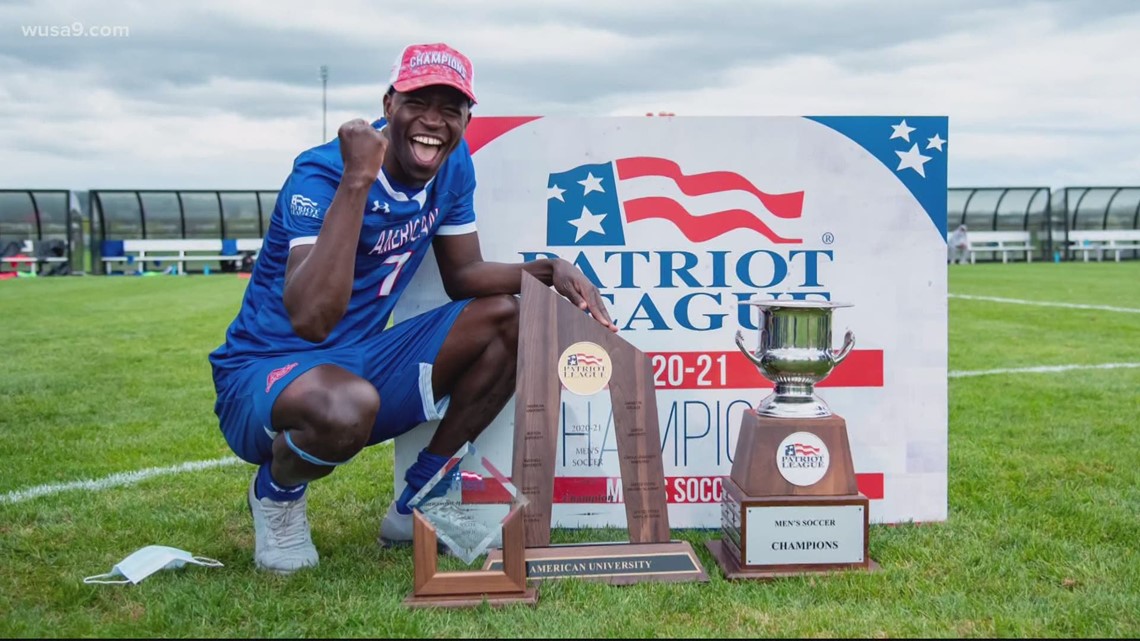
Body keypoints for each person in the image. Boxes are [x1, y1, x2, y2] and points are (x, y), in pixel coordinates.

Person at [207, 42, 617, 574]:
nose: (433, 122)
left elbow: (464, 275)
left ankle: (421, 496)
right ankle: (276, 496)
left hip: (357, 357)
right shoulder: (322, 173)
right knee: (344, 405)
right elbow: (312, 320)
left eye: (450, 109)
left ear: (467, 118)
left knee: (512, 316)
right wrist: (357, 180)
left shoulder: (453, 165)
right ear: (387, 105)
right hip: (266, 370)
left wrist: (547, 271)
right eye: (418, 103)